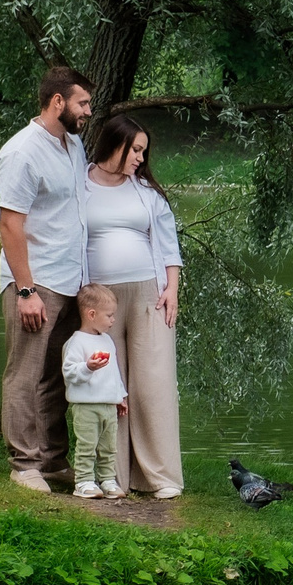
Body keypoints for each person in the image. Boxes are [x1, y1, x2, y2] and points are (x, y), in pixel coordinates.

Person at [0, 67, 93, 491]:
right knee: (25, 373)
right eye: (82, 103)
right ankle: (24, 466)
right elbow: (9, 225)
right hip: (37, 282)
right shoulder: (21, 152)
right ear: (58, 102)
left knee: (55, 375)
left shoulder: (74, 144)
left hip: (72, 279)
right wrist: (26, 290)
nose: (88, 111)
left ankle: (54, 462)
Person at [81, 112, 186, 498]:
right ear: (115, 144)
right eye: (135, 149)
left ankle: (161, 478)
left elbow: (169, 244)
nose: (141, 158)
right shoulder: (81, 185)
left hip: (148, 295)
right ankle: (114, 477)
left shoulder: (146, 192)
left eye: (144, 151)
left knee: (153, 382)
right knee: (110, 382)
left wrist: (172, 288)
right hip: (98, 299)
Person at [59, 284, 127, 498]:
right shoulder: (76, 342)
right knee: (87, 445)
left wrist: (121, 395)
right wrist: (87, 367)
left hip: (108, 405)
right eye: (109, 315)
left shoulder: (107, 340)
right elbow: (69, 372)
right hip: (86, 406)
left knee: (108, 447)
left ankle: (107, 479)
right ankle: (84, 481)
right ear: (91, 314)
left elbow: (113, 372)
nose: (113, 320)